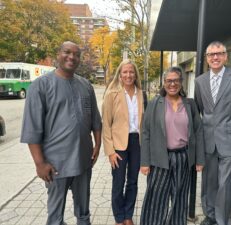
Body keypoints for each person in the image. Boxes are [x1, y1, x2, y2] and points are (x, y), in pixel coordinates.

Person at [20, 41, 102, 225]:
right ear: (58, 54)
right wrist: (40, 163)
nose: (71, 57)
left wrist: (97, 145)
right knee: (56, 216)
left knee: (84, 212)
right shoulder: (40, 86)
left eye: (76, 54)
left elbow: (96, 120)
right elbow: (32, 128)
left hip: (83, 161)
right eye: (67, 52)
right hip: (56, 165)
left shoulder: (86, 86)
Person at [140, 67, 205, 225]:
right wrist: (144, 162)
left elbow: (198, 131)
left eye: (176, 80)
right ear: (164, 83)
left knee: (180, 197)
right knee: (156, 197)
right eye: (169, 81)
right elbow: (146, 132)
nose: (172, 84)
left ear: (182, 82)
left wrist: (200, 159)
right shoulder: (155, 103)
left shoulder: (190, 104)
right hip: (159, 158)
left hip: (183, 158)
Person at [194, 41, 231, 225]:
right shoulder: (199, 81)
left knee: (225, 184)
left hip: (229, 140)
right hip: (208, 140)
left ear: (226, 56)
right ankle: (210, 215)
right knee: (209, 182)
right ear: (207, 58)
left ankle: (223, 220)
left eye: (219, 53)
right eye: (211, 54)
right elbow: (200, 109)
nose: (215, 57)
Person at [102, 59, 145, 225]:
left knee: (133, 182)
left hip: (136, 143)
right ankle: (119, 217)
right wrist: (110, 151)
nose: (128, 75)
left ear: (135, 74)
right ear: (120, 74)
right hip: (118, 145)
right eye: (125, 72)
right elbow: (106, 124)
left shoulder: (142, 93)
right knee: (118, 183)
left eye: (131, 72)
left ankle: (128, 215)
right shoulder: (111, 94)